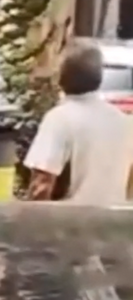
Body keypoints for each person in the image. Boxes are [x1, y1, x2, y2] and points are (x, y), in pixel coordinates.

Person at [23, 41, 133, 203]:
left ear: (61, 76)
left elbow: (42, 185)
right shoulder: (124, 122)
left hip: (69, 223)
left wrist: (29, 223)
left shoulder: (59, 119)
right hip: (113, 224)